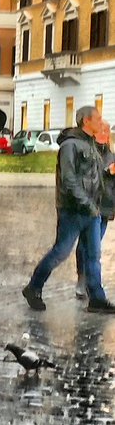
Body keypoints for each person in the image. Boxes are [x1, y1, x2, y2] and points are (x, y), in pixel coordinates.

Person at [22, 105, 115, 314]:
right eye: (97, 119)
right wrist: (88, 204)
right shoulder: (70, 145)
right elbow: (69, 180)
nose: (101, 123)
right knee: (60, 252)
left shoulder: (91, 144)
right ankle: (33, 287)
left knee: (93, 255)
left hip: (92, 211)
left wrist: (100, 197)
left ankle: (97, 298)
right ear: (86, 121)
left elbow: (96, 176)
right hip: (72, 211)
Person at [76, 118, 115, 298]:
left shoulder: (111, 153)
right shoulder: (87, 151)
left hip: (106, 207)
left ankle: (90, 283)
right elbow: (84, 175)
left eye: (107, 132)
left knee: (94, 246)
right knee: (87, 246)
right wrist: (107, 171)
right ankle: (83, 281)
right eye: (101, 131)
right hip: (90, 207)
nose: (104, 135)